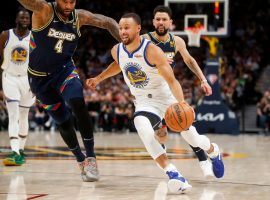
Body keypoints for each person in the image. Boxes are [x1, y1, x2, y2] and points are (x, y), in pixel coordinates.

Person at [86, 13, 224, 193]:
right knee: (141, 125)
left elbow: (173, 81)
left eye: (127, 28)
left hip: (165, 98)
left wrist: (181, 103)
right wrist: (98, 79)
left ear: (138, 29)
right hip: (144, 101)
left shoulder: (152, 50)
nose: (122, 31)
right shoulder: (116, 50)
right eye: (120, 28)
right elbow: (118, 64)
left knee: (193, 138)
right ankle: (174, 174)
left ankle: (213, 151)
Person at [17, 0, 120, 182]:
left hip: (64, 70)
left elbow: (106, 21)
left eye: (72, 1)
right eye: (65, 1)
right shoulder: (44, 10)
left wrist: (128, 43)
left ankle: (91, 157)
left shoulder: (78, 17)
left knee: (77, 102)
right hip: (39, 78)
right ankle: (80, 160)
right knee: (63, 122)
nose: (68, 5)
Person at [142, 5, 217, 178]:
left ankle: (203, 160)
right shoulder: (143, 40)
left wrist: (203, 80)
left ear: (170, 22)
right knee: (159, 132)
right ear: (153, 22)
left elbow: (189, 61)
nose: (161, 22)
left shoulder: (177, 41)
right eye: (158, 19)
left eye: (164, 19)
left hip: (168, 89)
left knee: (185, 125)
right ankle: (168, 168)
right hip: (149, 93)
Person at [0, 9, 35, 166]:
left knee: (24, 115)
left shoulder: (34, 37)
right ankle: (14, 152)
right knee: (13, 115)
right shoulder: (5, 35)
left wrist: (38, 84)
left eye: (27, 17)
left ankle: (20, 151)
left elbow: (39, 62)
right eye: (22, 17)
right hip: (10, 78)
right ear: (16, 19)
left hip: (28, 80)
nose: (25, 19)